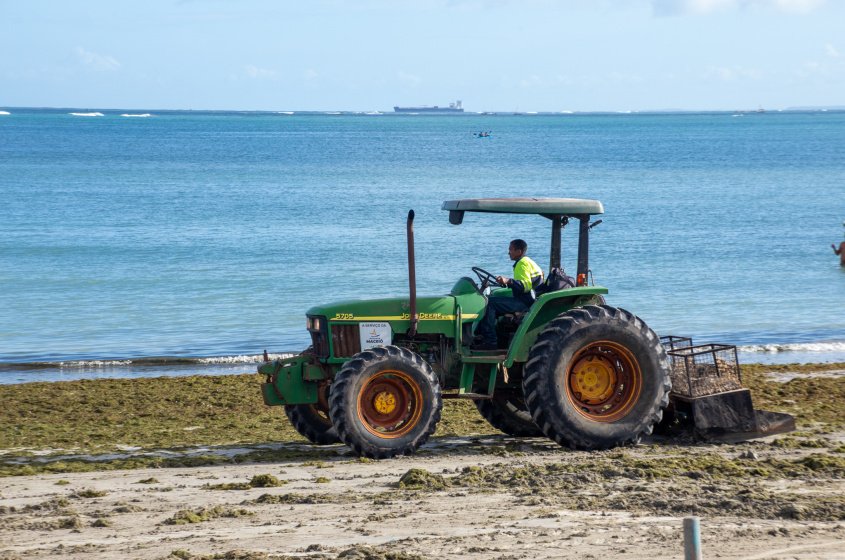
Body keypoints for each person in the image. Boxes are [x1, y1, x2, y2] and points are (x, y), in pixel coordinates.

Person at [473, 239, 544, 350]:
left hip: (525, 302)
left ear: (519, 251)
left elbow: (525, 286)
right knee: (494, 299)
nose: (508, 252)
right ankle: (486, 335)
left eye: (511, 249)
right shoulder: (528, 261)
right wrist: (506, 283)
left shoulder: (522, 264)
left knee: (489, 303)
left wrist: (508, 281)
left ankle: (490, 341)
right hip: (530, 299)